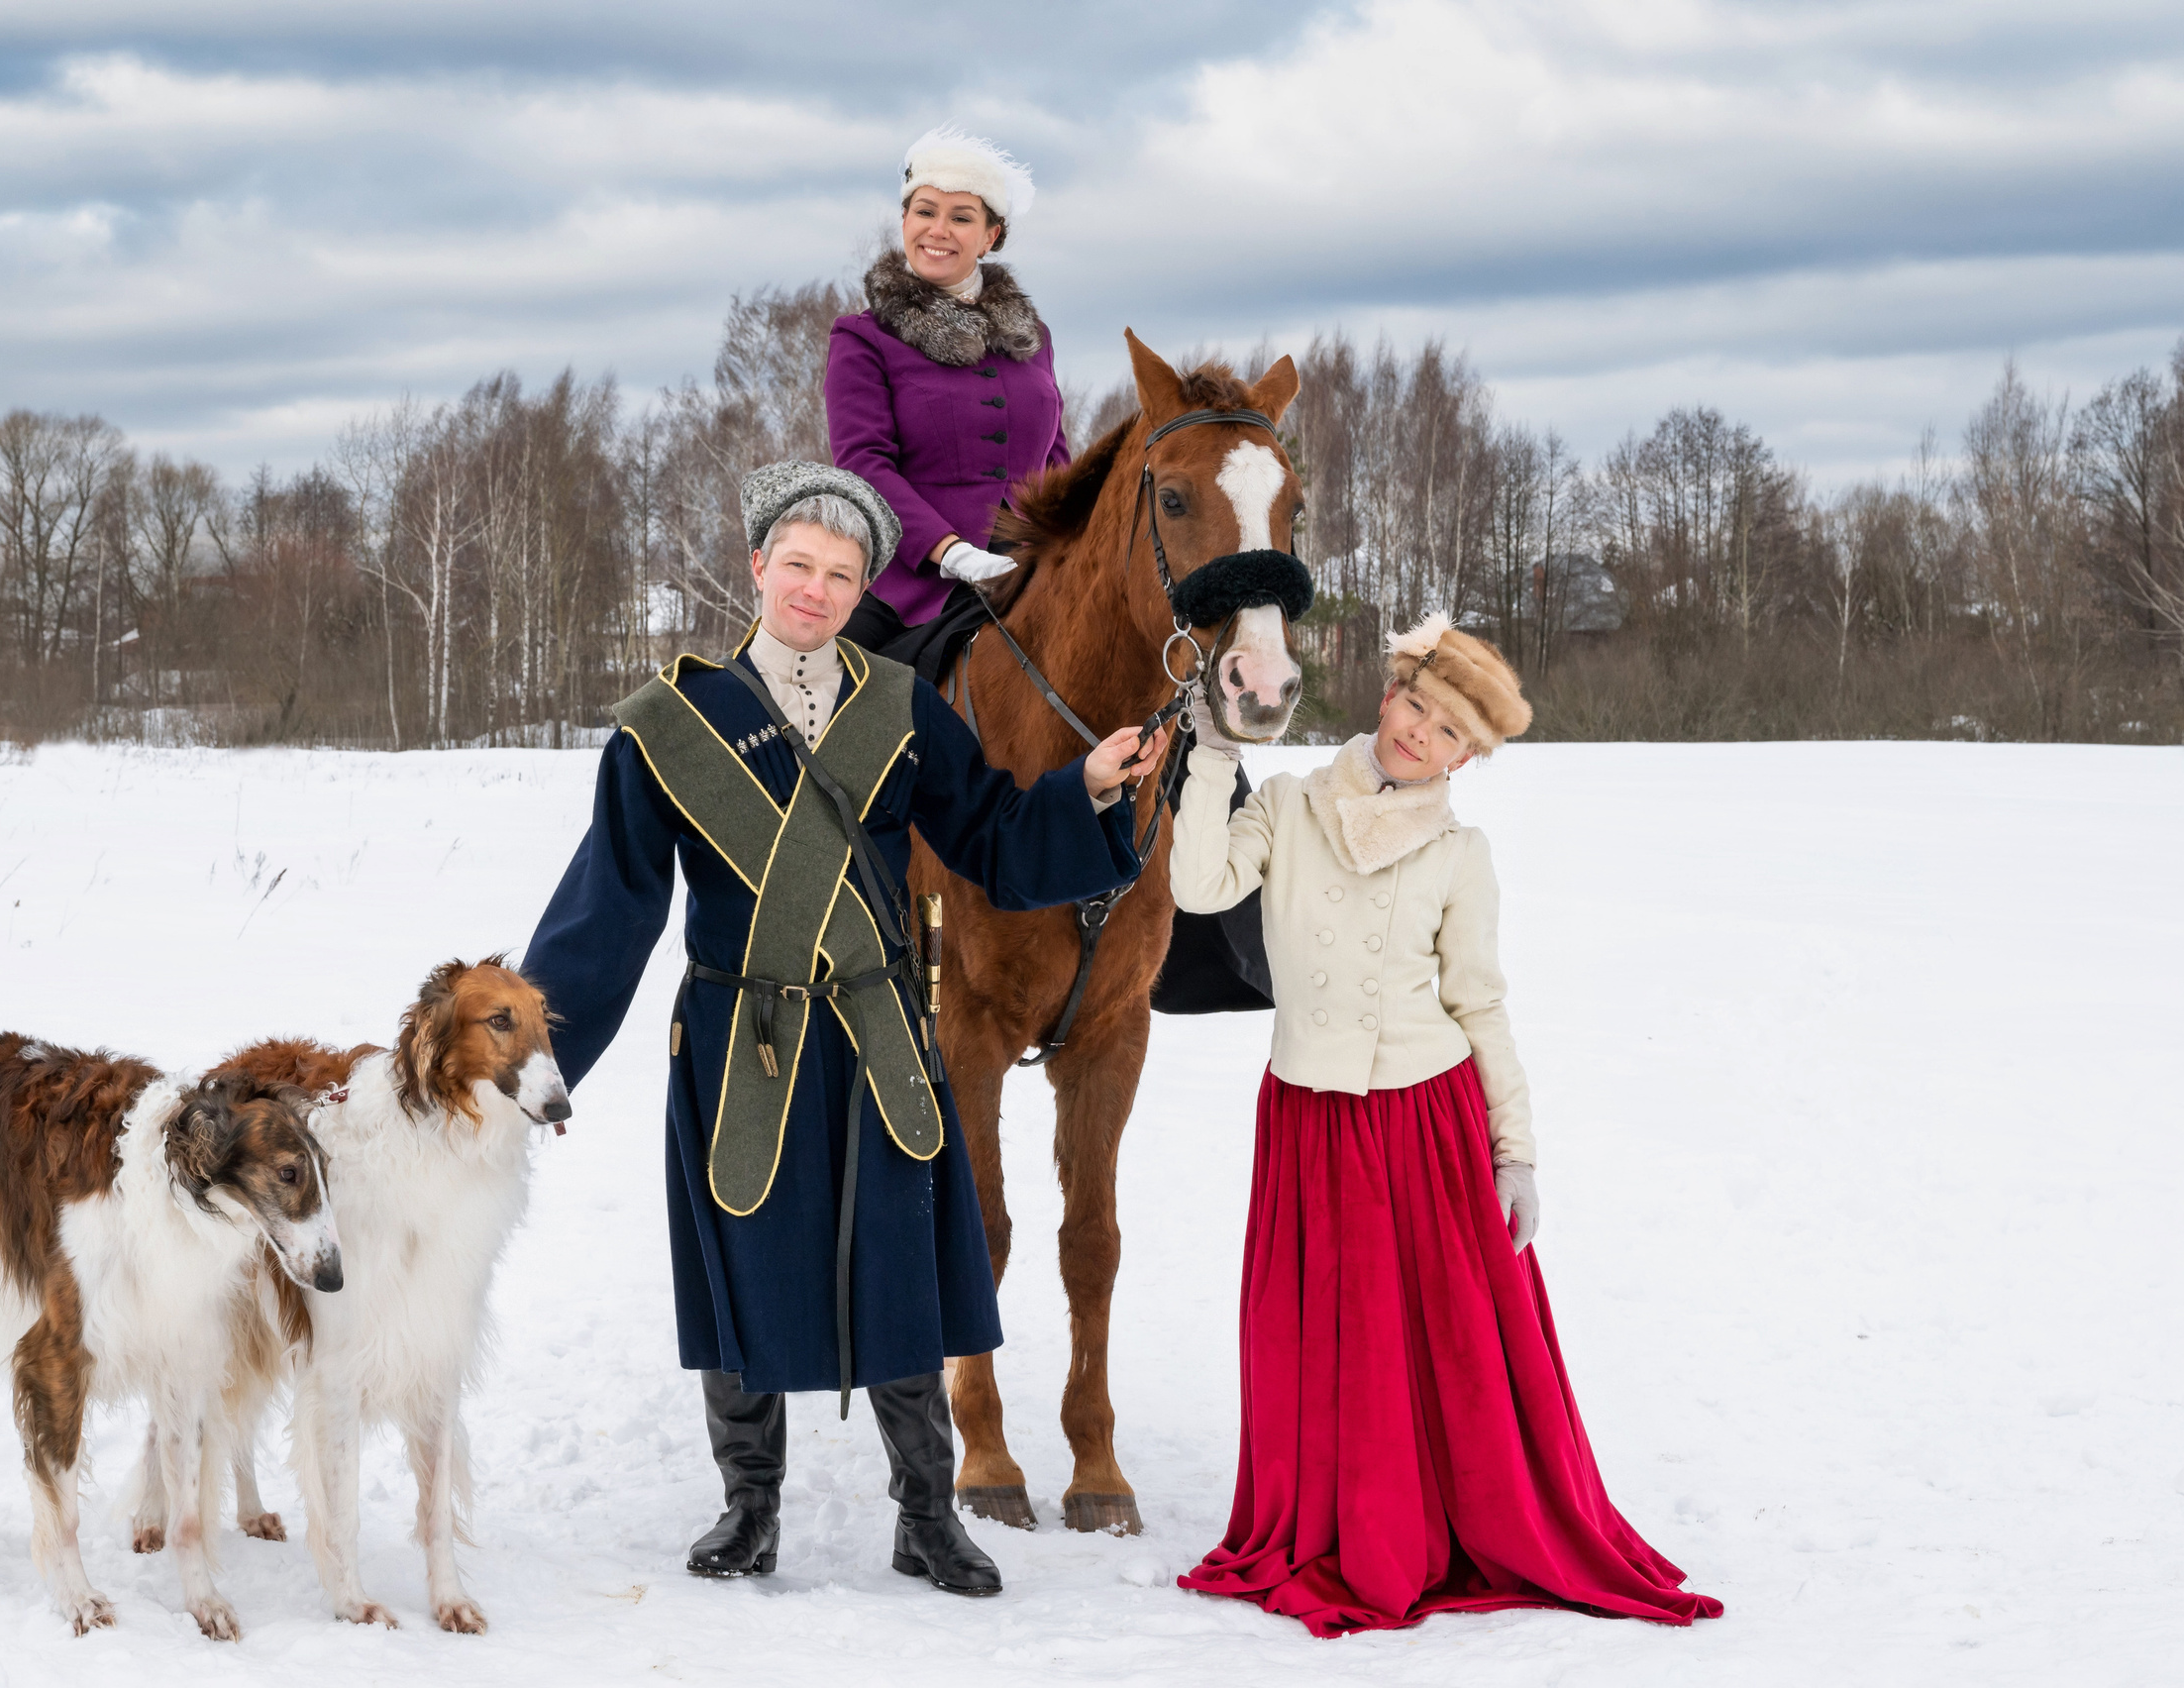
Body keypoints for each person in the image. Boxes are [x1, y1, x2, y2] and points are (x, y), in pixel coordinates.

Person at [519, 462, 1162, 1598]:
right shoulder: (669, 725)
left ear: (865, 589)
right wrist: (533, 1057)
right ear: (758, 566)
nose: (814, 590)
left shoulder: (902, 706)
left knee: (900, 1258)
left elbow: (997, 841)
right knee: (742, 1257)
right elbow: (608, 910)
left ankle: (926, 1514)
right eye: (798, 565)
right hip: (740, 1032)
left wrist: (1090, 788)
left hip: (877, 1029)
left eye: (841, 573)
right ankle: (748, 1506)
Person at [1168, 613, 1724, 1638]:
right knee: (1309, 1341)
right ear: (1387, 696)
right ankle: (1331, 1521)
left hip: (1423, 1124)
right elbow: (1198, 887)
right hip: (1307, 1119)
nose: (1419, 733)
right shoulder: (1287, 805)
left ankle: (1434, 1520)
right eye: (1415, 705)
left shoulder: (1461, 856)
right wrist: (1209, 756)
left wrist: (1514, 1153)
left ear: (1467, 757)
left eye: (1448, 730)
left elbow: (1480, 1005)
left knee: (1440, 1348)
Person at [826, 126, 1068, 671]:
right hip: (913, 578)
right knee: (816, 682)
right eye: (925, 212)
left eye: (961, 217)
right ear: (905, 221)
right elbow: (864, 463)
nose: (939, 230)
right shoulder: (862, 338)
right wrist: (951, 550)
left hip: (1035, 565)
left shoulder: (1034, 338)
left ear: (989, 237)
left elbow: (1055, 460)